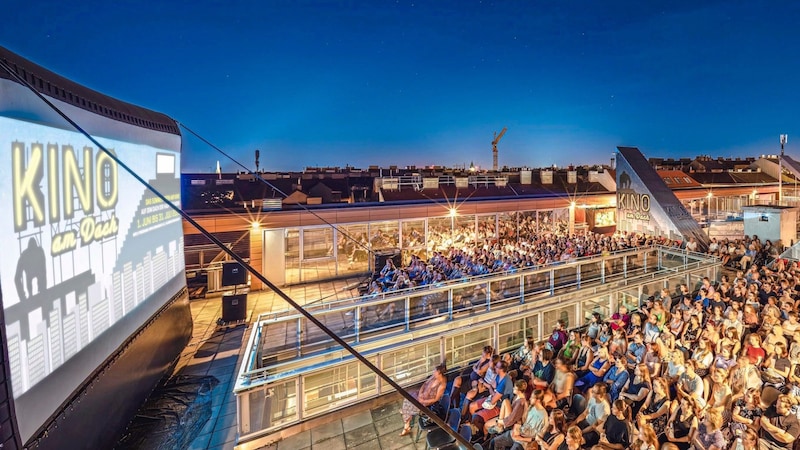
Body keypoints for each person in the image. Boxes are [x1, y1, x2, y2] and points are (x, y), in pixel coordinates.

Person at [399, 362, 447, 436]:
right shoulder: (433, 377)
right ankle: (406, 414)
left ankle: (406, 426)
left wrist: (423, 400)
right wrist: (421, 393)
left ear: (440, 374)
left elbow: (436, 399)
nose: (433, 373)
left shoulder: (442, 385)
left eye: (435, 372)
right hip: (421, 395)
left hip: (427, 400)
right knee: (408, 397)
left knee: (410, 405)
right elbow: (424, 384)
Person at [568, 382, 610, 447]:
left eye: (593, 392)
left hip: (595, 431)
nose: (591, 392)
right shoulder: (592, 399)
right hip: (586, 422)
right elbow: (585, 413)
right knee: (569, 431)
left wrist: (580, 433)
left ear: (600, 395)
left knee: (578, 441)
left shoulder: (604, 409)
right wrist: (574, 423)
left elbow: (594, 426)